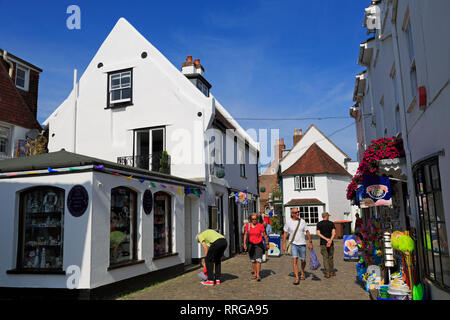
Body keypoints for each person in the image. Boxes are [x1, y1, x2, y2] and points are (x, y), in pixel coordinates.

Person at [282, 208, 313, 285]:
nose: (297, 213)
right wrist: (283, 244)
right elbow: (285, 233)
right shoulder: (288, 222)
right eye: (295, 212)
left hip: (302, 243)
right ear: (292, 214)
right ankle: (296, 278)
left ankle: (302, 272)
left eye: (298, 212)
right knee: (294, 260)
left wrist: (310, 242)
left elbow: (307, 231)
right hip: (293, 244)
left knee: (303, 260)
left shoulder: (302, 221)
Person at [243, 213, 269, 281]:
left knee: (258, 259)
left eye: (255, 219)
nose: (254, 220)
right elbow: (245, 235)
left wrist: (267, 243)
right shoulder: (248, 226)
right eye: (253, 219)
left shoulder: (260, 226)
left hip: (259, 244)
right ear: (250, 219)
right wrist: (244, 244)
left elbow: (265, 235)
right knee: (253, 260)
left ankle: (258, 275)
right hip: (251, 245)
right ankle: (255, 273)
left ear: (257, 219)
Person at [316, 212, 336, 278]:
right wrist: (330, 239)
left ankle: (327, 273)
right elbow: (334, 233)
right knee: (330, 257)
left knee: (325, 258)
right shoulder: (331, 223)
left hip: (323, 243)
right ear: (327, 216)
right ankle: (332, 272)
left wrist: (326, 239)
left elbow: (318, 233)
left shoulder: (319, 224)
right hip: (331, 243)